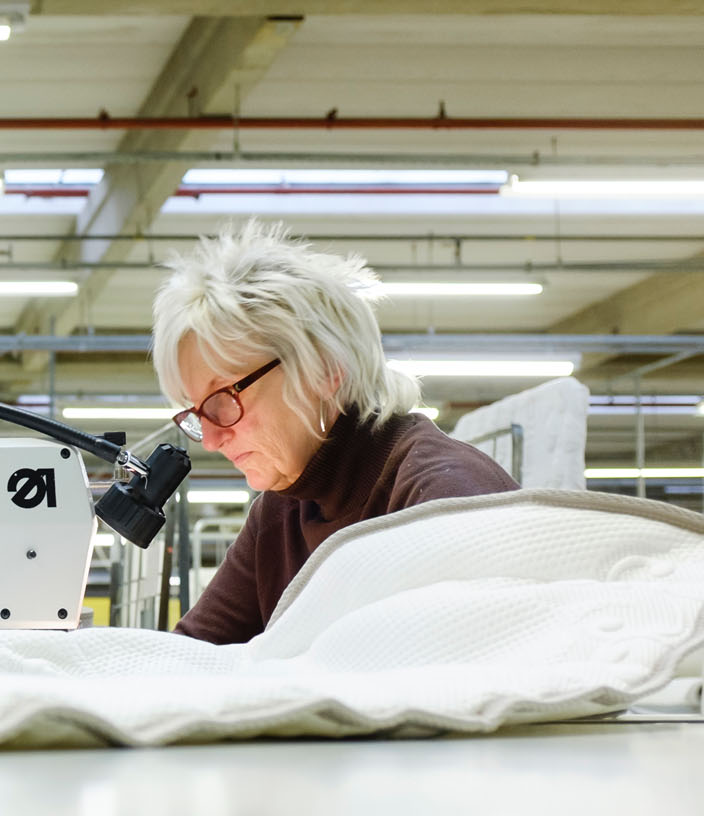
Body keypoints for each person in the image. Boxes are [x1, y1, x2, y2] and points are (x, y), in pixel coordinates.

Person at [153, 220, 518, 645]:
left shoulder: (441, 495)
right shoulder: (281, 511)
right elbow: (189, 655)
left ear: (323, 369)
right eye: (198, 414)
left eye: (222, 400)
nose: (212, 441)